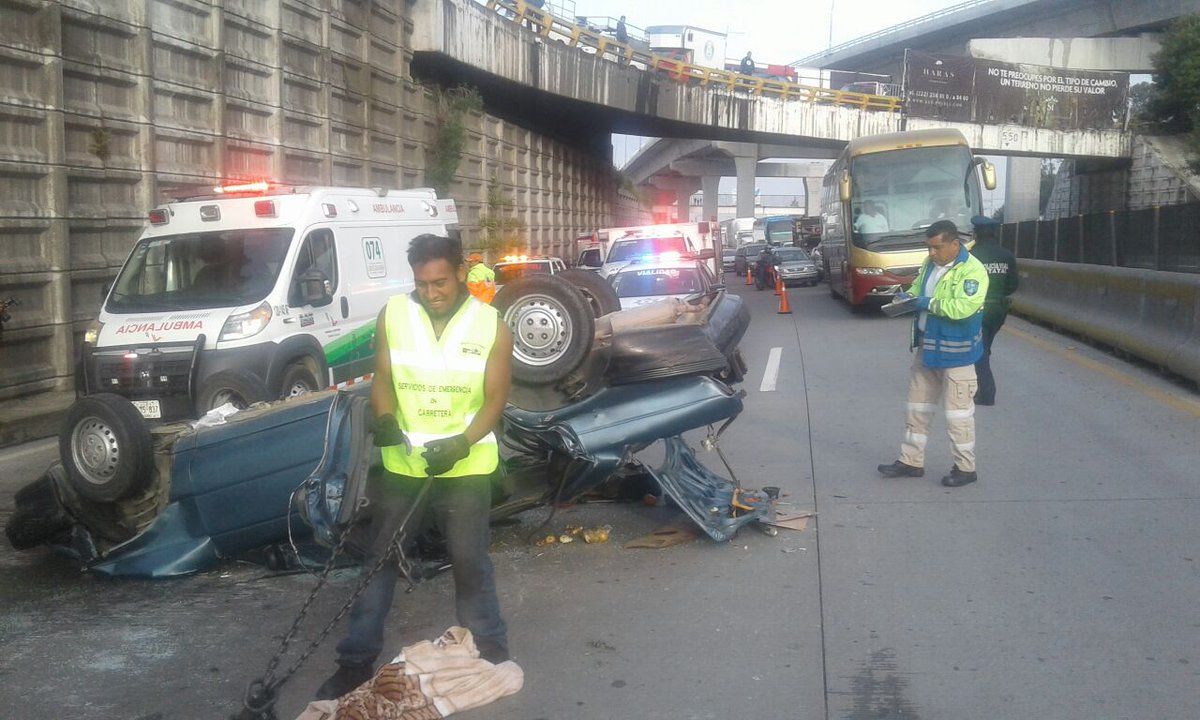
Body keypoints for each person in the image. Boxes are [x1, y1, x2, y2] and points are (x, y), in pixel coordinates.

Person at [317, 234, 514, 700]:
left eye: (441, 281)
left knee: (469, 560)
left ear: (460, 272)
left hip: (465, 466)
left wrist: (463, 442)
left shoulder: (491, 325)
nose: (432, 292)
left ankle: (489, 647)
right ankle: (355, 660)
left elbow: (496, 399)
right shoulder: (395, 315)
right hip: (403, 465)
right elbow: (382, 379)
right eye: (423, 284)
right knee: (379, 560)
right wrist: (384, 420)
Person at [877, 220, 989, 488]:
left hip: (958, 355)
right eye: (928, 247)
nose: (931, 253)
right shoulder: (930, 266)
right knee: (917, 409)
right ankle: (910, 461)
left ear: (954, 244)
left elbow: (962, 308)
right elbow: (917, 289)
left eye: (936, 248)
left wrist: (924, 302)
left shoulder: (972, 271)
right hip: (928, 348)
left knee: (958, 415)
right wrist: (904, 298)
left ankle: (965, 468)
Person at [968, 215, 1019, 406]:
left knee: (979, 350)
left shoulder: (971, 257)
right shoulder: (1006, 255)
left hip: (978, 309)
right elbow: (1013, 284)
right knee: (985, 347)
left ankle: (986, 392)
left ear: (976, 234)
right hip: (999, 309)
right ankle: (981, 387)